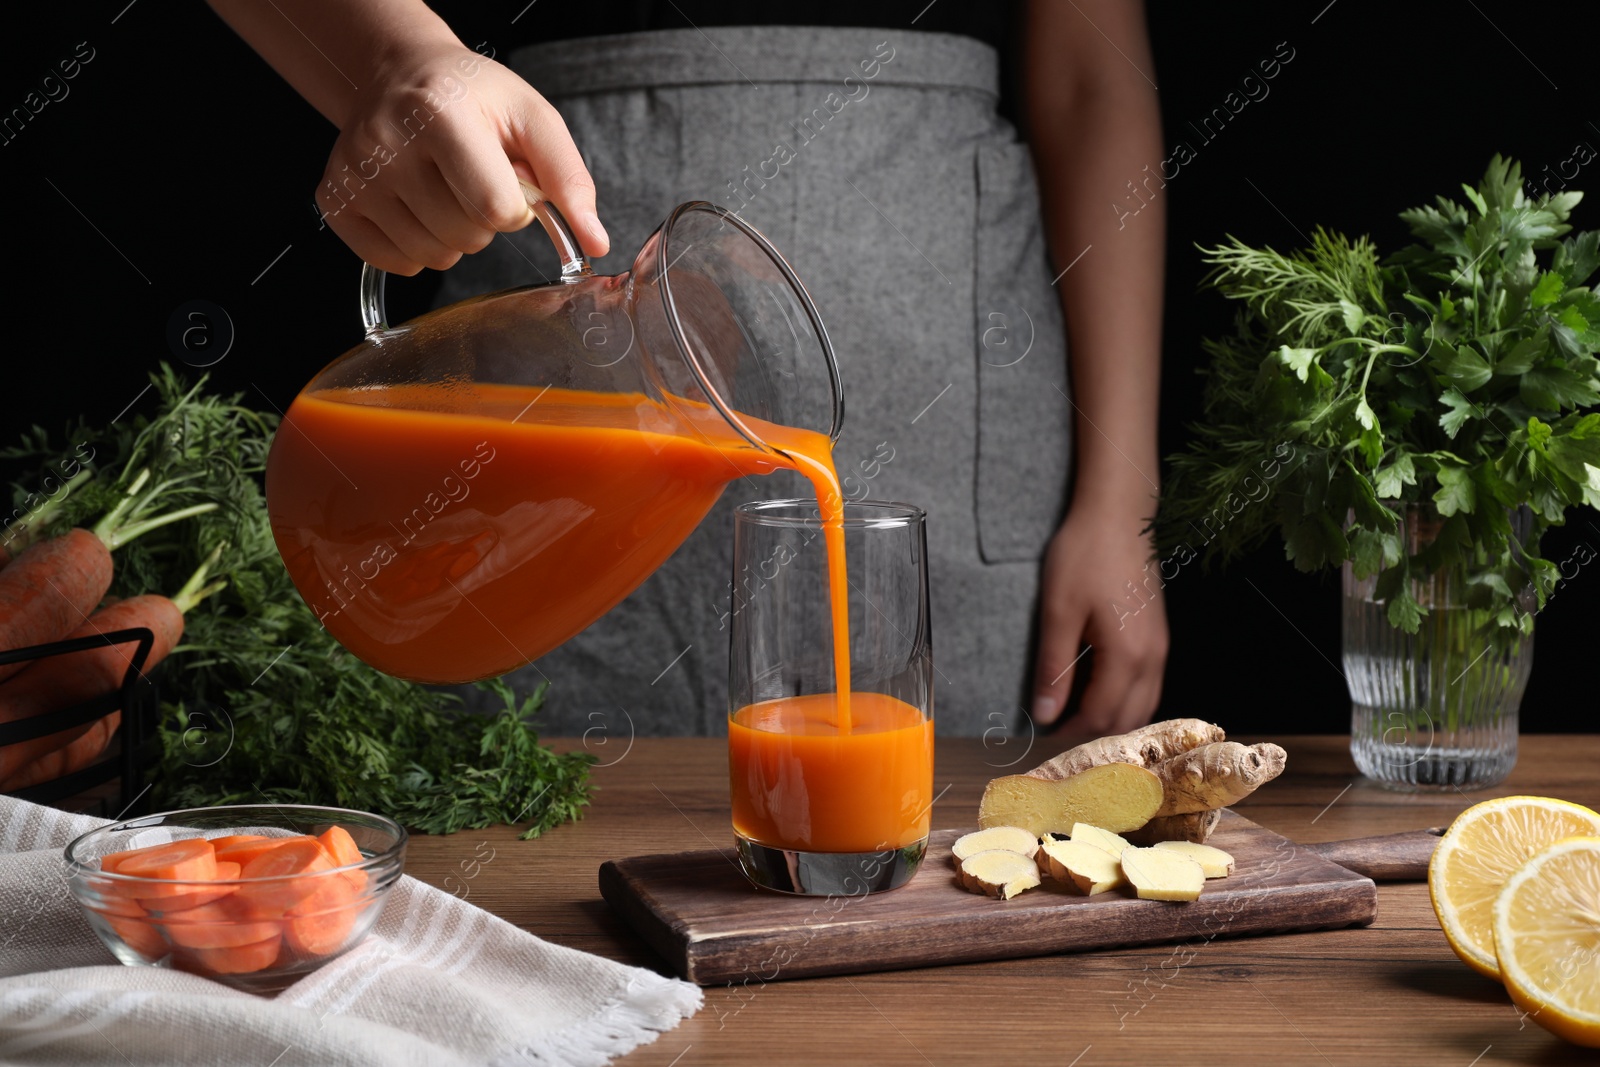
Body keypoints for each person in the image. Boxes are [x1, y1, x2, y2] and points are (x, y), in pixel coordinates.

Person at [206, 0, 1169, 739]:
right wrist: (394, 55)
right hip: (550, 385)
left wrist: (1122, 493)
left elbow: (1094, 76)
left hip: (956, 424)